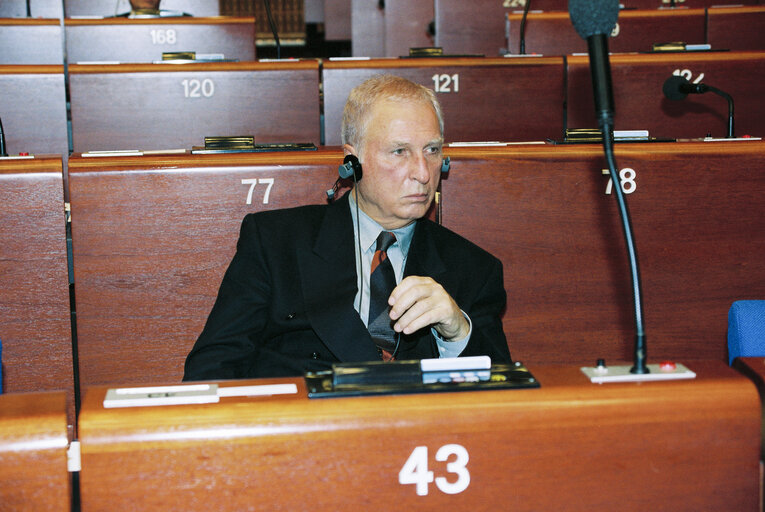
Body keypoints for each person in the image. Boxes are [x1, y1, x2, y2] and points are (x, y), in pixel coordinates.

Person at [183, 74, 511, 381]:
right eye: (400, 151)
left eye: (432, 151)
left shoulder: (473, 268)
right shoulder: (276, 243)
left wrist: (456, 331)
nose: (423, 173)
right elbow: (211, 371)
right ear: (352, 162)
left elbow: (503, 396)